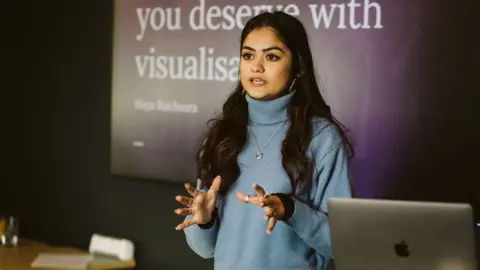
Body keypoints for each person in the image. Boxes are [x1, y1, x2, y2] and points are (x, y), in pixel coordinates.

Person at [174, 11, 354, 270]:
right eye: (248, 55)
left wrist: (291, 209)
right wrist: (204, 221)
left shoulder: (323, 139)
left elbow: (342, 243)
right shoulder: (223, 135)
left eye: (271, 56)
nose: (256, 67)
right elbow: (205, 249)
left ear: (298, 66)